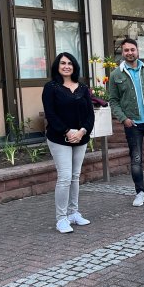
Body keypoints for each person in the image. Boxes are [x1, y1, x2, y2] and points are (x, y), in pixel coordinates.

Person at [108, 38, 144, 207]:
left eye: (132, 49)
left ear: (137, 51)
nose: (130, 53)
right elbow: (113, 100)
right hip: (133, 125)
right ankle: (140, 192)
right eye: (126, 50)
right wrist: (123, 119)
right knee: (136, 159)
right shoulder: (116, 74)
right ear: (122, 52)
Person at [42, 52, 94, 234]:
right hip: (59, 138)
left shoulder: (82, 87)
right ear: (57, 66)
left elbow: (90, 114)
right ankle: (61, 218)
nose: (66, 66)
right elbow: (50, 114)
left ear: (74, 66)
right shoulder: (51, 87)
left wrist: (82, 131)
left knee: (75, 176)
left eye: (70, 63)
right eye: (63, 63)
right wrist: (67, 131)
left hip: (80, 137)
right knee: (64, 177)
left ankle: (73, 213)